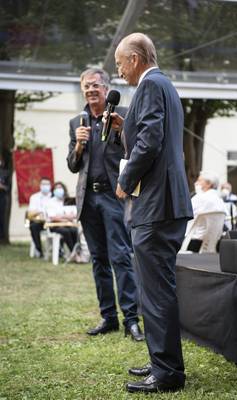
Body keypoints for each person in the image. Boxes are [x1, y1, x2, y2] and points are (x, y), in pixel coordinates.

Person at [112, 33, 193, 393]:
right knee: (159, 287)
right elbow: (149, 134)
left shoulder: (149, 86)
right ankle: (162, 360)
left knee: (156, 290)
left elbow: (150, 141)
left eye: (119, 64)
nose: (119, 71)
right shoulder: (166, 86)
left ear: (134, 59)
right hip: (167, 203)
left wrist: (125, 180)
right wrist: (125, 126)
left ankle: (167, 373)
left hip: (156, 205)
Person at [66, 68, 143, 341]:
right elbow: (73, 165)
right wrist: (78, 146)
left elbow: (135, 149)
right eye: (86, 86)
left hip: (114, 197)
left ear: (106, 87)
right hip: (88, 200)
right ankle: (108, 317)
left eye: (95, 85)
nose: (90, 90)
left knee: (121, 257)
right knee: (98, 260)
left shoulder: (121, 114)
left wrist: (123, 130)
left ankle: (131, 320)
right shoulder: (78, 121)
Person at [187, 171, 226, 252]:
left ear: (208, 184)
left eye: (199, 180)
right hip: (212, 246)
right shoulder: (220, 200)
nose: (196, 183)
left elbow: (186, 216)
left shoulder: (199, 198)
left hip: (193, 244)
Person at [45, 181, 78, 253]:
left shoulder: (69, 201)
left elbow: (74, 215)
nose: (59, 190)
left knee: (74, 231)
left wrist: (61, 216)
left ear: (64, 189)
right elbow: (53, 217)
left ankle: (76, 252)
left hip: (69, 225)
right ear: (53, 191)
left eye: (60, 188)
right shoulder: (50, 202)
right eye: (56, 188)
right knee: (66, 232)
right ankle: (74, 253)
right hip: (55, 226)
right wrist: (66, 217)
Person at [27, 177, 52, 257]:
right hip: (40, 222)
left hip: (52, 222)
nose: (45, 186)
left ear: (50, 185)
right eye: (43, 184)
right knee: (33, 226)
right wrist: (40, 211)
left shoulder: (53, 196)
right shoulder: (34, 197)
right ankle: (39, 250)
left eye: (47, 184)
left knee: (61, 229)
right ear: (40, 185)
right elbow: (30, 214)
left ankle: (59, 250)